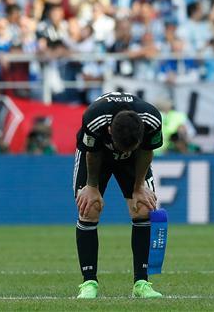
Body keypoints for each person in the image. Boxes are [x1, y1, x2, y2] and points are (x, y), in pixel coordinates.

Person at [73, 91, 164, 299]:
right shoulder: (95, 119)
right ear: (109, 131)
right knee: (90, 208)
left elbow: (147, 151)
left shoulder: (151, 119)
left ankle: (141, 283)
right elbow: (92, 152)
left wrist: (139, 186)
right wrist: (92, 186)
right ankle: (89, 283)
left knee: (143, 207)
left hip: (135, 160)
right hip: (95, 157)